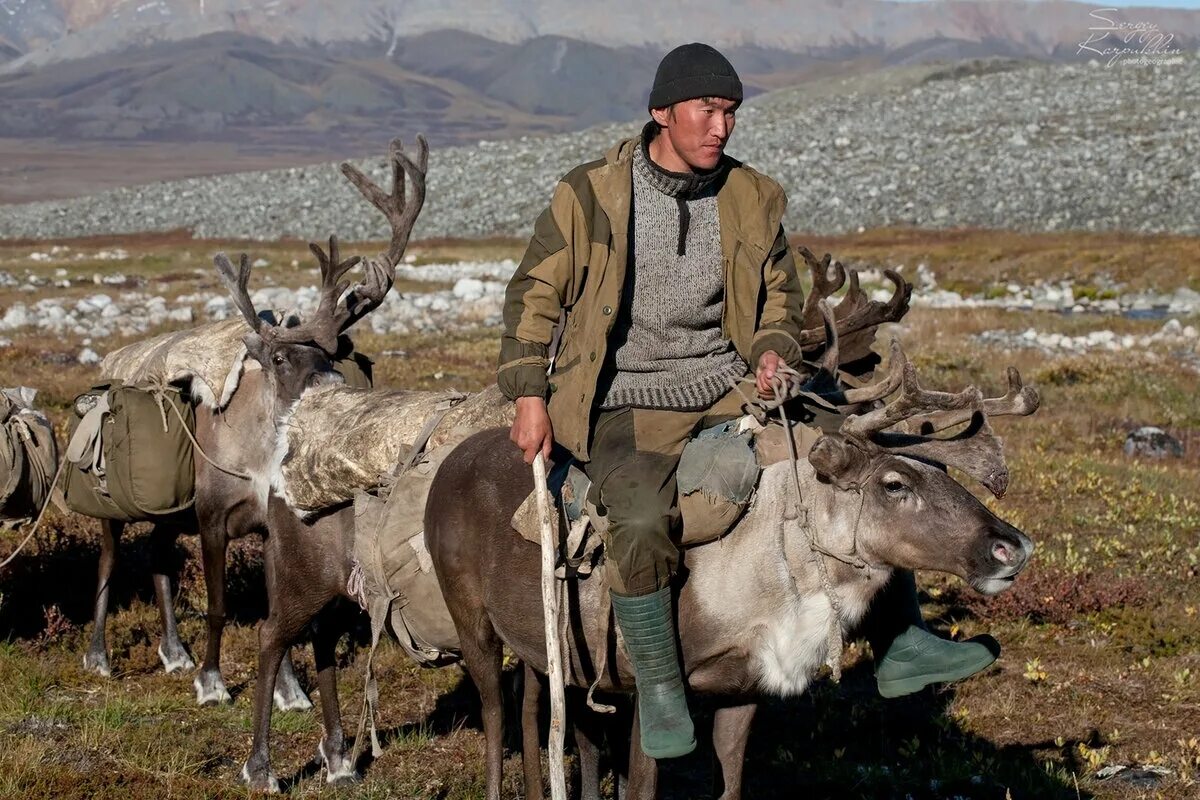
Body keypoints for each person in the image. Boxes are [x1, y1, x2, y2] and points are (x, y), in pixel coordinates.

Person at [498, 43, 997, 760]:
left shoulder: (752, 196)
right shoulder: (588, 196)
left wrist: (771, 350)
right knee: (638, 517)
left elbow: (779, 298)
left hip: (729, 383)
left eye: (731, 112)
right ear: (661, 112)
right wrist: (528, 392)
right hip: (625, 397)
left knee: (861, 457)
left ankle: (899, 641)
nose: (722, 127)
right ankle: (661, 689)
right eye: (707, 110)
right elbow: (534, 294)